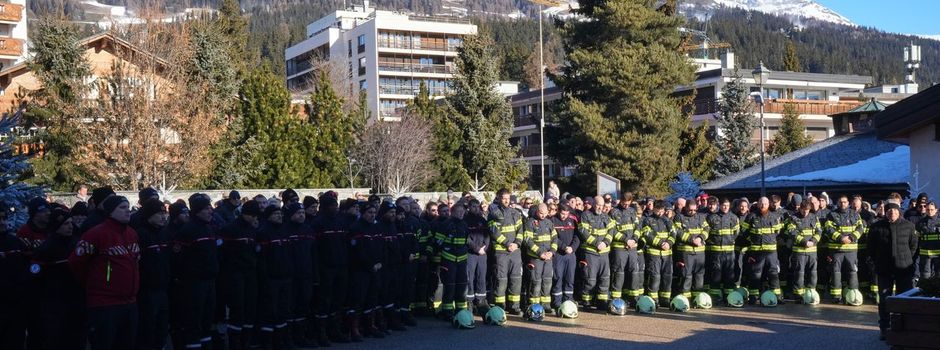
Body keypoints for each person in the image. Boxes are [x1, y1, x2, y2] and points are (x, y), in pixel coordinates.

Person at [69, 196, 140, 350]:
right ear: (110, 211)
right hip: (105, 305)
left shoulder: (132, 234)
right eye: (122, 207)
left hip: (129, 303)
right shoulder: (95, 234)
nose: (127, 211)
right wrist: (95, 284)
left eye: (128, 207)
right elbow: (77, 262)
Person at [33, 205, 86, 350]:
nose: (70, 227)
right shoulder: (46, 248)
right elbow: (35, 273)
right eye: (65, 224)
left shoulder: (76, 243)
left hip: (76, 297)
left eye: (70, 223)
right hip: (55, 301)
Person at [174, 194, 220, 350]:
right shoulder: (188, 230)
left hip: (210, 281)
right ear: (198, 211)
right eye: (207, 208)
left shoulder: (209, 228)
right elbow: (179, 259)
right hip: (194, 284)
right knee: (194, 320)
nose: (210, 211)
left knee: (207, 319)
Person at [868, 203, 917, 340]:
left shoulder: (908, 226)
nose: (892, 213)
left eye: (895, 210)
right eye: (889, 210)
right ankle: (885, 327)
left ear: (899, 211)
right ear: (885, 211)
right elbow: (870, 248)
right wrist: (874, 264)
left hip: (903, 269)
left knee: (904, 299)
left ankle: (904, 327)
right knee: (884, 300)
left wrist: (907, 260)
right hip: (884, 270)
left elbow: (914, 247)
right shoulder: (876, 227)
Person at [218, 200, 261, 350]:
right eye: (254, 216)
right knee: (238, 309)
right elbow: (223, 253)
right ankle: (235, 343)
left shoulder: (252, 229)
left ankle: (246, 342)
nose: (256, 219)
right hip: (235, 275)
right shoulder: (230, 229)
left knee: (250, 308)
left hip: (250, 274)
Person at [310, 193, 351, 344]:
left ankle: (335, 330)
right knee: (324, 301)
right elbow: (315, 250)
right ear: (326, 207)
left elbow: (346, 244)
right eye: (332, 206)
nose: (335, 208)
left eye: (336, 205)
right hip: (325, 268)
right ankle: (321, 332)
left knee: (338, 300)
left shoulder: (341, 222)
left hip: (341, 267)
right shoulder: (317, 223)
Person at [132, 198, 171, 350]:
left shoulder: (164, 233)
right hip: (146, 292)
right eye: (159, 214)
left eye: (164, 213)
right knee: (147, 330)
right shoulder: (140, 235)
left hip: (163, 289)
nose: (163, 217)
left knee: (161, 330)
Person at [17, 197, 51, 349]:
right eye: (43, 211)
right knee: (35, 327)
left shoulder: (51, 230)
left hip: (50, 284)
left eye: (47, 210)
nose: (47, 214)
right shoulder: (25, 231)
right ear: (35, 214)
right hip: (32, 285)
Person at [347, 204, 383, 340]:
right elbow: (357, 252)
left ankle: (370, 325)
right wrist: (370, 265)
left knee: (372, 298)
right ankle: (354, 328)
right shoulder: (356, 228)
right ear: (362, 213)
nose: (372, 215)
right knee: (358, 299)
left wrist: (380, 262)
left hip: (376, 269)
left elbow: (381, 247)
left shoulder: (376, 227)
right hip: (360, 271)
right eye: (369, 212)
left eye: (374, 212)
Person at [489, 188, 524, 315]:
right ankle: (500, 306)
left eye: (508, 198)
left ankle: (514, 306)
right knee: (501, 279)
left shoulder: (516, 213)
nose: (506, 201)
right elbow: (494, 232)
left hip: (515, 252)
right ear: (498, 198)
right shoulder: (494, 213)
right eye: (504, 198)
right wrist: (507, 244)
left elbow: (520, 230)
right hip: (501, 252)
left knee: (515, 279)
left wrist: (517, 243)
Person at [742, 197, 784, 303]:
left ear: (768, 204)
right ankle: (753, 297)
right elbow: (744, 231)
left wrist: (771, 240)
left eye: (765, 204)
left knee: (773, 273)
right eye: (761, 203)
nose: (763, 206)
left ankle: (777, 297)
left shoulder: (774, 217)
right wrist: (752, 240)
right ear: (758, 204)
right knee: (755, 274)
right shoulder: (751, 216)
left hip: (771, 252)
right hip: (756, 251)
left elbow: (779, 232)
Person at [825, 195, 864, 303]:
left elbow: (861, 228)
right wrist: (840, 238)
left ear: (848, 203)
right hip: (837, 249)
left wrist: (851, 238)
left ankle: (853, 294)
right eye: (841, 202)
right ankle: (836, 296)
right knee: (836, 272)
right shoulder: (831, 214)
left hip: (851, 249)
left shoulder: (855, 214)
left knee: (852, 272)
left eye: (845, 202)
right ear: (837, 203)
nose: (843, 204)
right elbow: (828, 228)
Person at [577, 195, 613, 310]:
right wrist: (597, 243)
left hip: (604, 253)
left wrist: (605, 243)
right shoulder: (585, 215)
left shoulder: (606, 217)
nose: (600, 208)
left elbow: (611, 231)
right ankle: (587, 301)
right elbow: (584, 232)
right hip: (591, 252)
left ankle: (602, 301)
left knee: (604, 277)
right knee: (590, 278)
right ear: (593, 204)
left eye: (602, 206)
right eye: (598, 205)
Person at [435, 202, 471, 319]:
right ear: (452, 212)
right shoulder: (446, 224)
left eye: (463, 211)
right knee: (449, 287)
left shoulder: (465, 224)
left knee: (461, 286)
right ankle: (447, 311)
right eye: (458, 211)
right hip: (448, 260)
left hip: (462, 260)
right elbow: (438, 242)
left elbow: (467, 241)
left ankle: (461, 310)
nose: (461, 213)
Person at [608, 192, 643, 304]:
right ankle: (616, 297)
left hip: (632, 247)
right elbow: (612, 230)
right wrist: (626, 240)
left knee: (634, 271)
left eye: (628, 203)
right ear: (621, 201)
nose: (626, 206)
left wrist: (634, 239)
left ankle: (633, 297)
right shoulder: (613, 212)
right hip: (619, 248)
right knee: (619, 272)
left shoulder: (632, 211)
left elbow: (638, 227)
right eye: (624, 203)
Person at [522, 203, 557, 312]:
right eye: (541, 213)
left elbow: (555, 239)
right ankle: (534, 305)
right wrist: (540, 253)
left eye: (545, 213)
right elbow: (528, 240)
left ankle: (546, 305)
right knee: (535, 282)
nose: (543, 215)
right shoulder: (530, 223)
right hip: (536, 258)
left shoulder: (549, 223)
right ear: (537, 212)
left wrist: (552, 252)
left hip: (548, 258)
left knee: (547, 281)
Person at [641, 200, 676, 307]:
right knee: (654, 276)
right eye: (658, 210)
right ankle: (653, 299)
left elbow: (673, 233)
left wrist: (669, 243)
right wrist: (661, 243)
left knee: (667, 276)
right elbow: (647, 234)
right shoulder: (648, 220)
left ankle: (665, 299)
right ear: (654, 209)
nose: (660, 213)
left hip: (667, 254)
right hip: (654, 254)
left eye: (662, 211)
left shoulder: (668, 221)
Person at [784, 201, 821, 300]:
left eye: (807, 211)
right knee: (799, 273)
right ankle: (798, 294)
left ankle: (811, 291)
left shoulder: (814, 217)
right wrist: (804, 242)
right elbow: (792, 232)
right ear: (800, 208)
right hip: (799, 251)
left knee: (813, 273)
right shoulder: (793, 218)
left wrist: (813, 241)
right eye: (804, 211)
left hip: (812, 251)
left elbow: (819, 231)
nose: (805, 213)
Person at [675, 201, 710, 301]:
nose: (693, 212)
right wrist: (692, 240)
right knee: (686, 275)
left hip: (699, 251)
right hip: (686, 251)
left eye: (695, 210)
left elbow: (707, 229)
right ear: (685, 208)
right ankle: (685, 299)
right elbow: (678, 231)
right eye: (690, 210)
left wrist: (700, 238)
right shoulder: (679, 217)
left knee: (699, 275)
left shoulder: (700, 217)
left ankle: (697, 298)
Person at [706, 199, 739, 301]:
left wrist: (730, 240)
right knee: (716, 274)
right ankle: (715, 296)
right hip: (716, 251)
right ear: (719, 206)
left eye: (727, 205)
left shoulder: (733, 218)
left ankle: (728, 297)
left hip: (729, 252)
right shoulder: (711, 218)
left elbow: (736, 233)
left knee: (729, 274)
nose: (725, 207)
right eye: (723, 205)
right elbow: (707, 233)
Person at [550, 204, 579, 311]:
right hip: (559, 255)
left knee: (570, 279)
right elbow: (554, 238)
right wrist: (564, 247)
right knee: (558, 278)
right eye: (562, 214)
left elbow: (577, 236)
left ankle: (568, 300)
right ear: (558, 211)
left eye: (566, 214)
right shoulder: (552, 220)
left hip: (571, 254)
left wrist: (572, 247)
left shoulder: (572, 221)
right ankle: (557, 302)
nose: (564, 216)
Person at [464, 198, 489, 312]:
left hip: (482, 253)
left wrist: (485, 247)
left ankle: (481, 301)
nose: (476, 208)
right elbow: (466, 238)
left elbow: (487, 235)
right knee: (470, 277)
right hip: (471, 253)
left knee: (481, 277)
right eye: (473, 206)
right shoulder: (465, 220)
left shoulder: (482, 220)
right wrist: (476, 248)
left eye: (477, 206)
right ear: (469, 207)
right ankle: (469, 302)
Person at [916, 202, 939, 279]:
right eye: (928, 210)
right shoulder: (920, 223)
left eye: (932, 210)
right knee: (925, 277)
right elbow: (916, 239)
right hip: (925, 256)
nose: (930, 211)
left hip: (939, 256)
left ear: (936, 210)